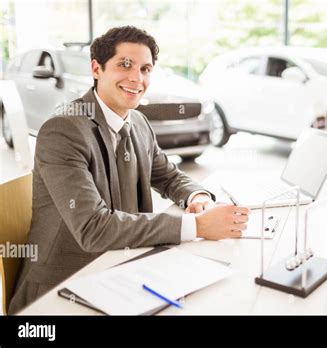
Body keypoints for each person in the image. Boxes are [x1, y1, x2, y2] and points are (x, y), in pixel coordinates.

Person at [8, 26, 249, 314]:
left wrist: (197, 198)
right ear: (97, 68)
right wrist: (196, 227)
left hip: (122, 270)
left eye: (145, 69)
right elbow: (92, 228)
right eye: (125, 65)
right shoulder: (63, 130)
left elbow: (167, 176)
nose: (137, 78)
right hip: (62, 290)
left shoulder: (138, 123)